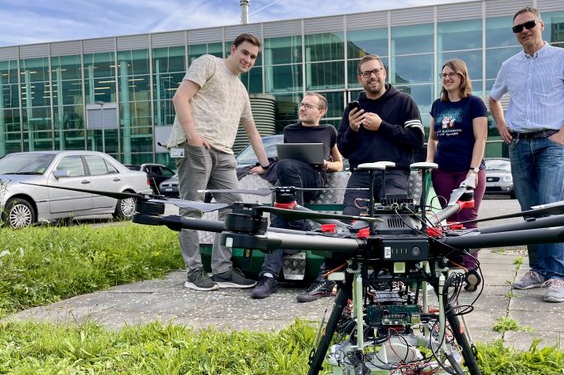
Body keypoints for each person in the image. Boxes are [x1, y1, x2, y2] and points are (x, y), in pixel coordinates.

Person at [296, 54, 425, 303]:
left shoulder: (404, 101)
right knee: (347, 226)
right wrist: (353, 130)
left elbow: (416, 139)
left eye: (376, 71)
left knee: (395, 225)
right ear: (360, 78)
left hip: (394, 173)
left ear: (384, 72)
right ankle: (329, 279)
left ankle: (393, 281)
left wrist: (382, 125)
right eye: (367, 73)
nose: (372, 76)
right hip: (361, 174)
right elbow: (343, 149)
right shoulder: (353, 108)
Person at [488, 7, 564, 303]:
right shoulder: (509, 65)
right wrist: (502, 126)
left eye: (528, 24)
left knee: (550, 207)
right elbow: (493, 99)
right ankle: (538, 270)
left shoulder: (563, 57)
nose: (524, 31)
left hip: (550, 143)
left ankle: (556, 276)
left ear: (541, 25)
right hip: (519, 144)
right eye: (517, 28)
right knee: (529, 211)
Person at [168, 33, 270, 291]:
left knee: (232, 208)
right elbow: (180, 97)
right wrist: (192, 136)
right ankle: (193, 272)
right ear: (233, 49)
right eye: (245, 53)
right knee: (192, 209)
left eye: (253, 57)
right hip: (195, 146)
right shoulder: (209, 63)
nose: (248, 59)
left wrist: (266, 163)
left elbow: (252, 130)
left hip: (225, 153)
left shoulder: (242, 90)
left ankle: (222, 270)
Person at [249, 92, 343, 299]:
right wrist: (266, 168)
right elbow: (286, 158)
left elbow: (339, 164)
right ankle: (268, 276)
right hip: (291, 186)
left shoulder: (329, 130)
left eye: (308, 105)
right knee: (278, 218)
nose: (302, 108)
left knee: (284, 172)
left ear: (321, 111)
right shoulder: (289, 130)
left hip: (314, 181)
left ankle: (298, 223)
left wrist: (326, 164)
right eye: (302, 104)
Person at [425, 59, 487, 290]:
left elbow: (481, 138)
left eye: (452, 74)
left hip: (467, 170)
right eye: (444, 75)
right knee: (449, 221)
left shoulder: (474, 104)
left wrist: (473, 170)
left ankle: (470, 269)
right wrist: (429, 162)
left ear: (462, 76)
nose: (447, 78)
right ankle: (454, 266)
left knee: (467, 218)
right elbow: (432, 138)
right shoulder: (437, 105)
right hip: (443, 171)